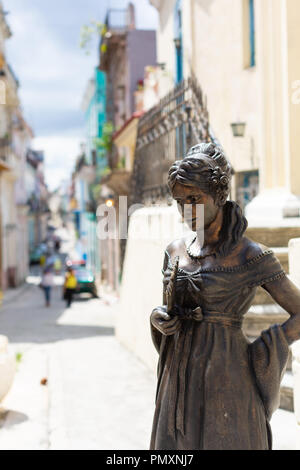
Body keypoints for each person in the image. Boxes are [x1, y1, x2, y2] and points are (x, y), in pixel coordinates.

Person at [150, 142, 300, 450]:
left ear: (219, 195)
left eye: (194, 198)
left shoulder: (250, 255)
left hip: (229, 378)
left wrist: (266, 346)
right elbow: (170, 309)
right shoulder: (175, 251)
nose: (186, 210)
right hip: (177, 382)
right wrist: (158, 319)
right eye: (180, 202)